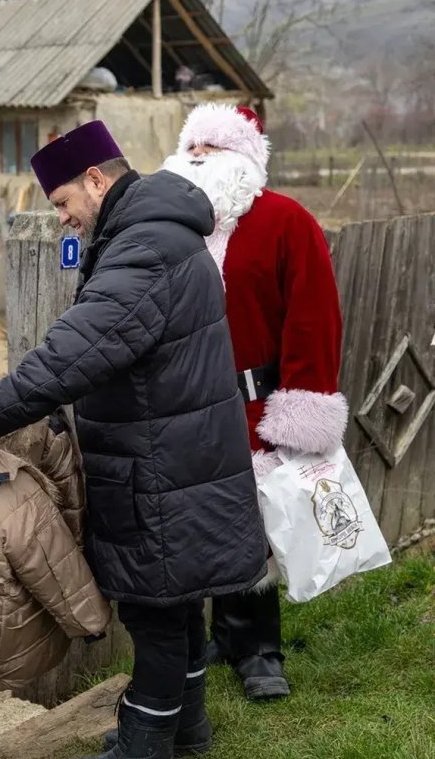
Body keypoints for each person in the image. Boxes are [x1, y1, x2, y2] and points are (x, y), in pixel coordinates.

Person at [0, 120, 267, 759]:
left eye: (64, 202)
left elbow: (75, 352)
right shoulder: (160, 234)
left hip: (159, 468)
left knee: (154, 618)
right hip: (178, 456)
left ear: (97, 179)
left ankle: (144, 744)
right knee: (177, 610)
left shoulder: (144, 248)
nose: (63, 219)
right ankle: (187, 732)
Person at [162, 103, 346, 701]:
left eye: (212, 151)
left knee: (255, 524)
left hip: (253, 403)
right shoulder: (168, 226)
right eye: (193, 150)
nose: (198, 160)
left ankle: (260, 648)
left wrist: (299, 406)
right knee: (200, 520)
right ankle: (220, 635)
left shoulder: (287, 221)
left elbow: (314, 318)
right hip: (185, 405)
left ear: (243, 160)